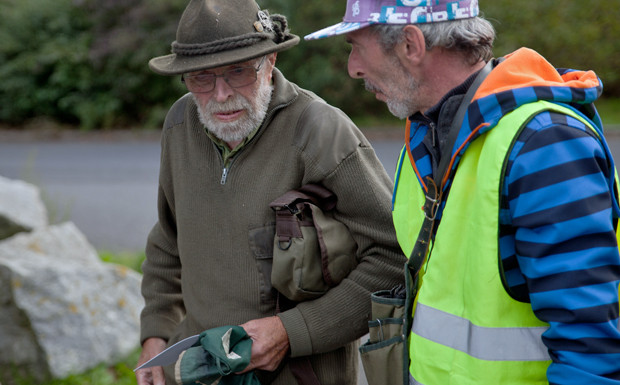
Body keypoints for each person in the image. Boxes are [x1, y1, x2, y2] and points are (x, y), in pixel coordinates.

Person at [305, 0, 620, 384]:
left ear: (411, 44)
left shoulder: (544, 143)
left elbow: (590, 350)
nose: (353, 68)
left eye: (356, 45)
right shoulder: (426, 136)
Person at [135, 0, 406, 384]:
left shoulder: (322, 132)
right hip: (198, 372)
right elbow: (168, 238)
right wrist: (156, 336)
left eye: (238, 71)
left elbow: (394, 258)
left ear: (271, 60)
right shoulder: (180, 124)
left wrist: (291, 332)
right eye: (201, 77)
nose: (222, 94)